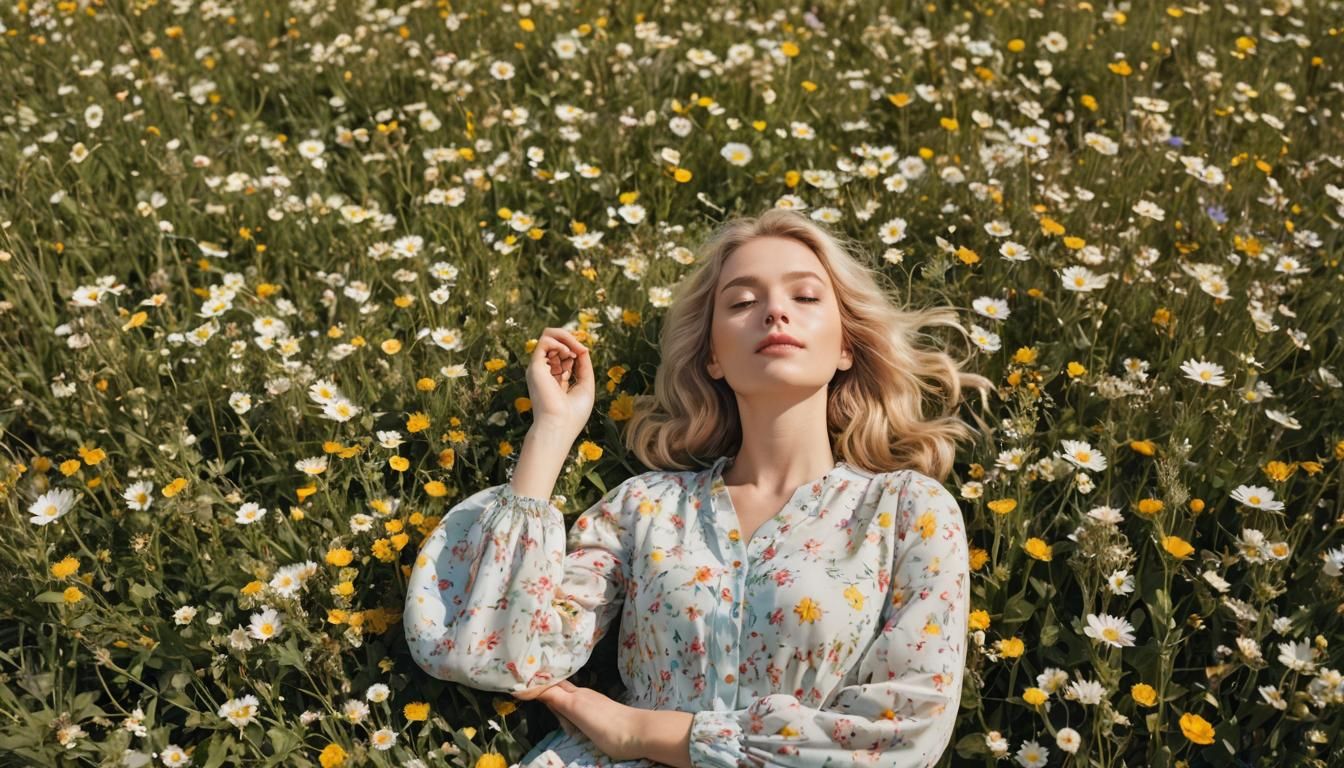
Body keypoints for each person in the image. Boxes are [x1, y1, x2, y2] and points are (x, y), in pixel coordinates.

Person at [404, 208, 994, 767]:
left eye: (806, 296)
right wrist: (553, 431)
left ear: (846, 345)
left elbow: (902, 733)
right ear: (712, 354)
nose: (774, 313)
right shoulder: (646, 507)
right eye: (742, 301)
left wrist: (647, 732)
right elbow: (498, 653)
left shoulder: (907, 511)